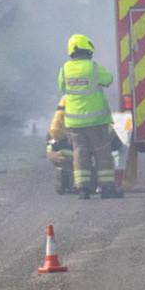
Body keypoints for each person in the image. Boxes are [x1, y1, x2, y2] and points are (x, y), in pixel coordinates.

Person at [58, 33, 120, 199]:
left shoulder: (64, 69)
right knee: (102, 153)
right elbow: (109, 80)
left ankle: (83, 190)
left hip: (74, 123)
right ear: (88, 50)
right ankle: (107, 189)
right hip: (96, 121)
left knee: (80, 154)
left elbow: (63, 88)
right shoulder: (93, 67)